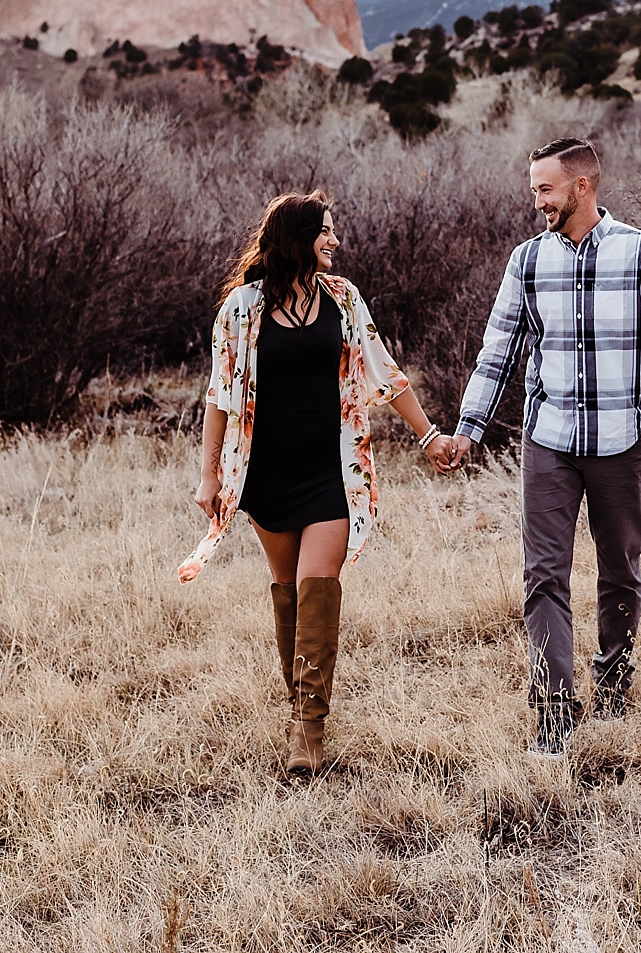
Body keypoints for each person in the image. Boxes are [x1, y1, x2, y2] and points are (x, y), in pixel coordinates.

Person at [178, 190, 455, 773]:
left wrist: (429, 436)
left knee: (317, 586)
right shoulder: (241, 309)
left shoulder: (343, 298)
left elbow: (385, 372)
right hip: (264, 473)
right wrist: (209, 476)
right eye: (325, 230)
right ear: (296, 238)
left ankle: (309, 728)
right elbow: (219, 396)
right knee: (288, 593)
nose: (335, 240)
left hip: (332, 470)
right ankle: (297, 706)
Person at [443, 137, 641, 757]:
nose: (538, 203)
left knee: (620, 569)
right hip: (549, 439)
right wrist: (469, 428)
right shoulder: (527, 260)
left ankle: (613, 685)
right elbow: (498, 351)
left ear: (583, 187)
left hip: (621, 440)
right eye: (534, 191)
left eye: (546, 190)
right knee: (544, 574)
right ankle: (554, 713)